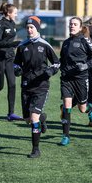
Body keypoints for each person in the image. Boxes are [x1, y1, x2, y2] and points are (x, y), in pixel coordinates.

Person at [14, 16, 60, 158]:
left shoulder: (45, 45)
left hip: (41, 86)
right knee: (28, 119)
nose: (29, 30)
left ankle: (36, 150)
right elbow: (16, 63)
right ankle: (42, 119)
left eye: (32, 27)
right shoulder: (22, 46)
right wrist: (17, 69)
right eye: (27, 27)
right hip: (26, 85)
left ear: (37, 29)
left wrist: (51, 71)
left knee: (33, 118)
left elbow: (57, 63)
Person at [59, 16, 92, 146]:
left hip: (81, 79)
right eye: (71, 24)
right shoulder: (65, 42)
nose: (72, 26)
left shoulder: (85, 40)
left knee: (82, 108)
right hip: (66, 79)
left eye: (75, 24)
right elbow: (62, 60)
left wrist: (85, 66)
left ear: (81, 27)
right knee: (66, 106)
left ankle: (90, 108)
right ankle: (65, 136)